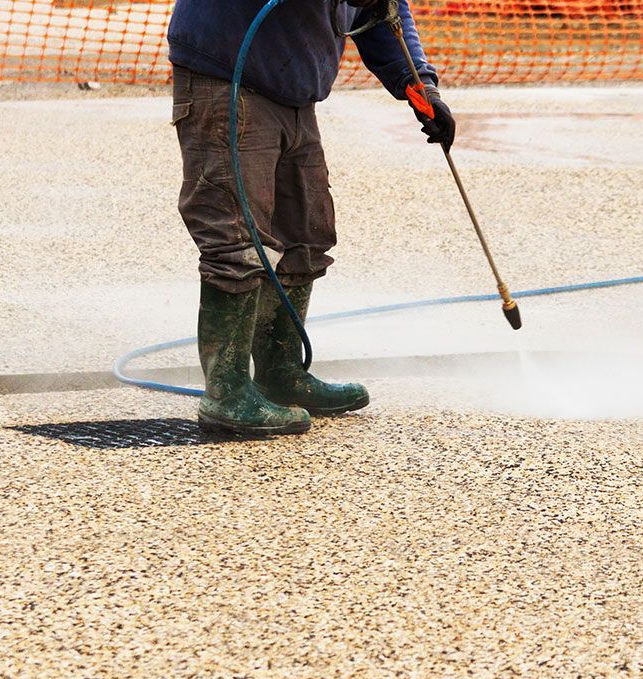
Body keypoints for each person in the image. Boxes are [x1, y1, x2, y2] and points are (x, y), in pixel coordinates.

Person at [167, 0, 455, 435]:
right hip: (229, 77)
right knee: (238, 240)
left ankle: (280, 373)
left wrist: (418, 85)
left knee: (305, 232)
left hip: (295, 92)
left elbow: (385, 13)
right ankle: (226, 391)